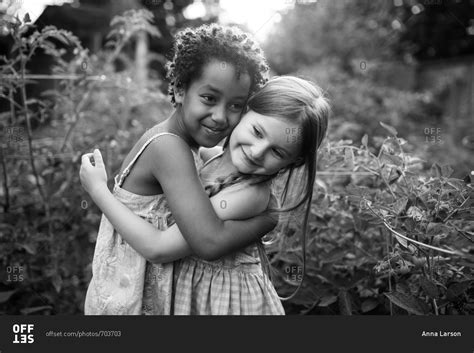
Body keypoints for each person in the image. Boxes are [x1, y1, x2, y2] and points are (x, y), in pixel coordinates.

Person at [81, 76, 330, 315]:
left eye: (276, 151)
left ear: (293, 162)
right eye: (257, 131)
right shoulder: (209, 156)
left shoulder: (248, 195)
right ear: (244, 111)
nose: (257, 151)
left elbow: (158, 248)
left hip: (221, 303)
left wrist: (98, 191)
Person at [81, 23, 271, 315]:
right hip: (131, 303)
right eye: (209, 98)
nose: (220, 116)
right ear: (181, 89)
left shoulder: (186, 145)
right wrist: (267, 219)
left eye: (236, 105)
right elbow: (208, 241)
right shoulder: (169, 148)